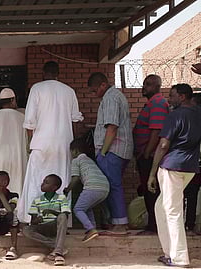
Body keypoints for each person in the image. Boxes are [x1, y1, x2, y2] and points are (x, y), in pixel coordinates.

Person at [18, 61, 83, 224]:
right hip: (63, 144)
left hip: (41, 143)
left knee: (36, 181)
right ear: (58, 73)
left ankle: (32, 218)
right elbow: (76, 119)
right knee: (62, 181)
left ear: (43, 73)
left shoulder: (37, 89)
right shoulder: (69, 91)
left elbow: (29, 122)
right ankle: (62, 221)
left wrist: (29, 144)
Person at [147, 84, 201, 267]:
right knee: (161, 207)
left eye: (172, 96)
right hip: (190, 168)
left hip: (172, 167)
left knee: (172, 211)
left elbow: (163, 145)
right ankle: (169, 252)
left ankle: (178, 258)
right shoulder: (198, 114)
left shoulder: (174, 115)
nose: (169, 100)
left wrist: (152, 173)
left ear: (183, 96)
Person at [88, 72, 133, 235]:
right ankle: (118, 222)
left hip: (113, 150)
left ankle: (120, 223)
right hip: (119, 150)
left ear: (103, 85)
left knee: (113, 186)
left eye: (95, 90)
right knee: (114, 185)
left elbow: (112, 127)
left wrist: (103, 152)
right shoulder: (115, 96)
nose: (95, 94)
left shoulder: (110, 98)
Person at [133, 74, 169, 235]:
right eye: (144, 84)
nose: (144, 87)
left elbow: (156, 131)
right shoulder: (152, 103)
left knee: (151, 191)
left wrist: (146, 153)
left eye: (148, 84)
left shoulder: (158, 104)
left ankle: (154, 227)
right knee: (149, 192)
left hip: (151, 156)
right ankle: (153, 225)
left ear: (157, 86)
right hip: (145, 154)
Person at [63, 138, 110, 243]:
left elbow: (75, 178)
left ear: (75, 151)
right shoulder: (89, 160)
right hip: (105, 188)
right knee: (87, 207)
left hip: (92, 187)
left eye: (71, 152)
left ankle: (91, 229)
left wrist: (67, 189)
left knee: (78, 209)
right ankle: (92, 228)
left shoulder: (76, 160)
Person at [23, 174, 70, 266]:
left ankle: (57, 251)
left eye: (46, 182)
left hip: (55, 226)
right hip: (43, 228)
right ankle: (58, 247)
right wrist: (37, 220)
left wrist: (52, 212)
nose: (42, 184)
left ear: (54, 187)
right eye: (43, 182)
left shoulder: (61, 198)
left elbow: (65, 215)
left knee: (63, 216)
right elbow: (33, 221)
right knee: (26, 229)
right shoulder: (37, 200)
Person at [184, 93, 201, 232]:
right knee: (191, 194)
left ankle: (190, 223)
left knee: (190, 194)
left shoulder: (193, 120)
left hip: (193, 165)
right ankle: (190, 223)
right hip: (194, 165)